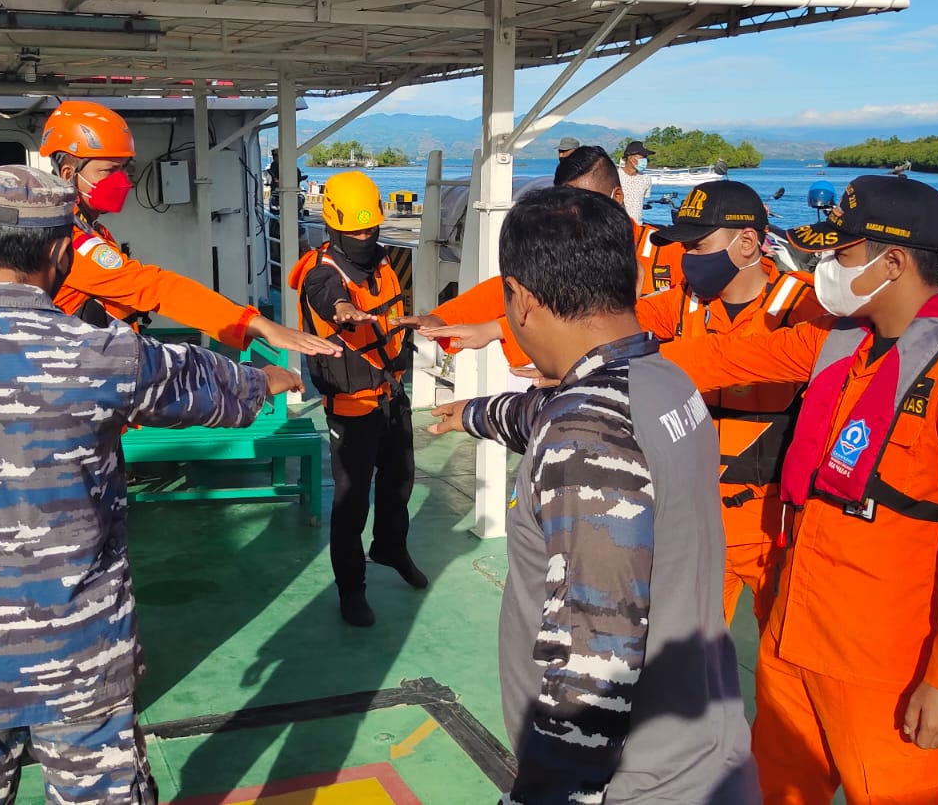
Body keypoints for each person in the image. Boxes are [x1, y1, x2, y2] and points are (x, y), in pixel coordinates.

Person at [0, 165, 303, 804]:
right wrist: (268, 379)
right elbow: (203, 382)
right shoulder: (107, 354)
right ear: (60, 252)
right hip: (84, 664)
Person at [656, 175, 938, 804]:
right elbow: (716, 362)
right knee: (775, 786)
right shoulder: (835, 343)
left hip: (882, 657)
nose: (825, 269)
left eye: (841, 255)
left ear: (893, 261)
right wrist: (575, 368)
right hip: (793, 628)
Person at [426, 185, 759, 804]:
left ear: (521, 301)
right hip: (709, 755)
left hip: (638, 786)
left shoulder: (586, 436)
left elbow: (596, 663)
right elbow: (552, 411)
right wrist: (476, 413)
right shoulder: (662, 381)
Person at [641, 181, 826, 627]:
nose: (687, 258)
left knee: (783, 664)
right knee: (684, 656)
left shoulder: (805, 307)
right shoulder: (682, 306)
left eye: (699, 244)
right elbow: (609, 326)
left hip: (775, 525)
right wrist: (503, 329)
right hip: (694, 519)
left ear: (747, 242)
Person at [39, 101, 337, 358]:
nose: (122, 180)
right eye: (108, 171)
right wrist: (253, 323)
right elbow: (153, 287)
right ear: (69, 175)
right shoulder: (71, 241)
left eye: (123, 168)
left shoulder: (92, 231)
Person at [400, 146, 683, 367]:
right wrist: (443, 318)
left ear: (617, 196)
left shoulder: (671, 252)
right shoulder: (567, 251)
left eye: (589, 204)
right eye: (567, 204)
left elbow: (640, 319)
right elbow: (516, 288)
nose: (578, 215)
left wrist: (497, 329)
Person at [288, 171, 423, 627]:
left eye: (371, 229)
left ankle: (389, 549)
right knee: (350, 501)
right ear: (334, 226)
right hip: (350, 405)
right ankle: (351, 588)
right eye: (356, 231)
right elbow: (329, 298)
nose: (365, 237)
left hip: (391, 392)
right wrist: (344, 311)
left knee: (400, 481)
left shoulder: (386, 262)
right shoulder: (321, 271)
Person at [618, 139, 656, 225]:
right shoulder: (615, 176)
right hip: (617, 227)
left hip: (637, 226)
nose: (645, 161)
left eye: (646, 158)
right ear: (631, 158)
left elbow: (645, 198)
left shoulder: (646, 179)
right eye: (643, 157)